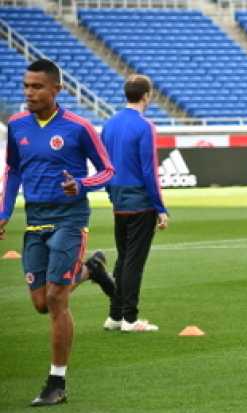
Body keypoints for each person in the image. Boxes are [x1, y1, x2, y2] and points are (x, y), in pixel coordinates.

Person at [0, 59, 116, 406]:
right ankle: (91, 269)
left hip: (70, 218)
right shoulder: (17, 124)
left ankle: (56, 382)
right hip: (35, 220)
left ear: (56, 89)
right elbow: (14, 171)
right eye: (26, 86)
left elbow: (107, 170)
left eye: (37, 86)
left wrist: (80, 185)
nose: (29, 92)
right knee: (39, 303)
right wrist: (4, 212)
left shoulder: (78, 128)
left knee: (55, 298)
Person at [101, 74, 168, 332]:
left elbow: (104, 166)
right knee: (134, 262)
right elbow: (149, 170)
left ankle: (115, 316)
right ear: (146, 95)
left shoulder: (109, 125)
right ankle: (130, 319)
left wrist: (111, 195)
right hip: (140, 202)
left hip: (119, 200)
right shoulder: (145, 126)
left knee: (123, 258)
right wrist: (160, 207)